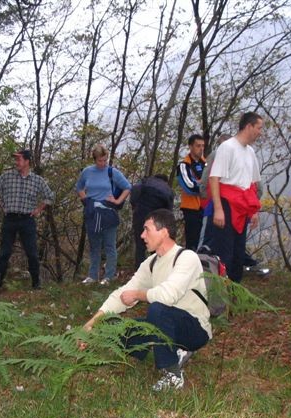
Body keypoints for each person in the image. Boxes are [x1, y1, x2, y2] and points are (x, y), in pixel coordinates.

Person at [82, 209, 212, 391]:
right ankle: (170, 351)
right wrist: (92, 323)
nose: (142, 235)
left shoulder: (186, 258)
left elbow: (168, 295)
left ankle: (172, 374)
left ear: (164, 232)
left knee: (157, 309)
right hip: (167, 323)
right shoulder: (151, 263)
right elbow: (122, 293)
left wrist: (138, 295)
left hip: (194, 329)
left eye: (147, 229)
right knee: (112, 326)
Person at [0, 149, 54, 289]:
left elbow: (50, 196)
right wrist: (0, 203)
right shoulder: (7, 176)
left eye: (19, 159)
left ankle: (36, 284)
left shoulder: (37, 180)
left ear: (27, 161)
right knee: (4, 252)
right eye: (16, 159)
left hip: (27, 220)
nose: (16, 162)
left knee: (32, 253)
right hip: (9, 219)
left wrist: (38, 210)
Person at [208, 112, 263, 283]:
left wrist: (253, 211)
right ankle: (219, 297)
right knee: (224, 254)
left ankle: (234, 294)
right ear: (248, 126)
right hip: (226, 206)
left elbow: (252, 184)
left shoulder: (250, 152)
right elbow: (214, 178)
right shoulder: (227, 147)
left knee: (238, 254)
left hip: (242, 207)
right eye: (259, 128)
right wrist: (218, 208)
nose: (260, 132)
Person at [76, 144, 131, 285]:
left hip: (108, 212)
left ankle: (109, 276)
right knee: (95, 246)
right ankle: (92, 276)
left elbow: (127, 187)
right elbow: (79, 187)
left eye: (105, 160)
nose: (102, 163)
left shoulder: (112, 172)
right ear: (95, 159)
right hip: (92, 212)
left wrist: (117, 201)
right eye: (100, 160)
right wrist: (85, 200)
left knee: (109, 246)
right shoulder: (87, 172)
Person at [129, 174, 174, 268]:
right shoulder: (167, 189)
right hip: (156, 219)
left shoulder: (145, 181)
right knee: (157, 245)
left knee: (140, 246)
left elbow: (134, 193)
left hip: (140, 214)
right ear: (165, 181)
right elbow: (168, 211)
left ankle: (139, 272)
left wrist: (135, 206)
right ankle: (156, 270)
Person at [176, 134, 206, 251]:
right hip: (191, 209)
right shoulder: (184, 165)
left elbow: (213, 182)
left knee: (205, 242)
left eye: (203, 146)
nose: (201, 148)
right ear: (191, 147)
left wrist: (199, 183)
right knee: (192, 243)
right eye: (198, 146)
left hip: (206, 208)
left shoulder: (206, 163)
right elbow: (190, 187)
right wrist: (203, 185)